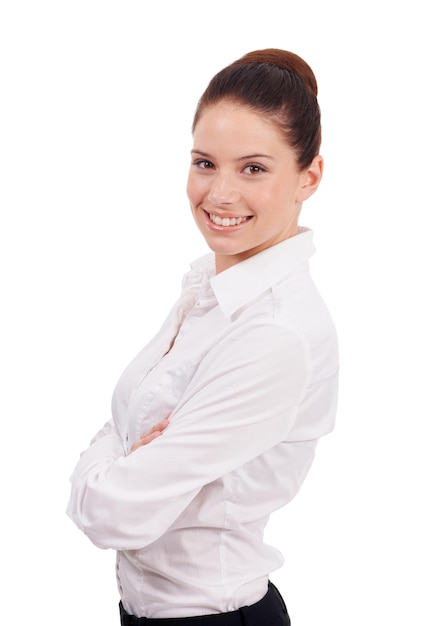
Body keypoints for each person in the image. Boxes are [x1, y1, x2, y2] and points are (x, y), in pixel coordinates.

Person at [67, 48, 339, 625]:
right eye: (204, 163)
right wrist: (126, 450)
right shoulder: (210, 289)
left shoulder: (274, 332)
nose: (218, 194)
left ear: (308, 176)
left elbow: (109, 514)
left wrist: (116, 463)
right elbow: (122, 425)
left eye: (254, 168)